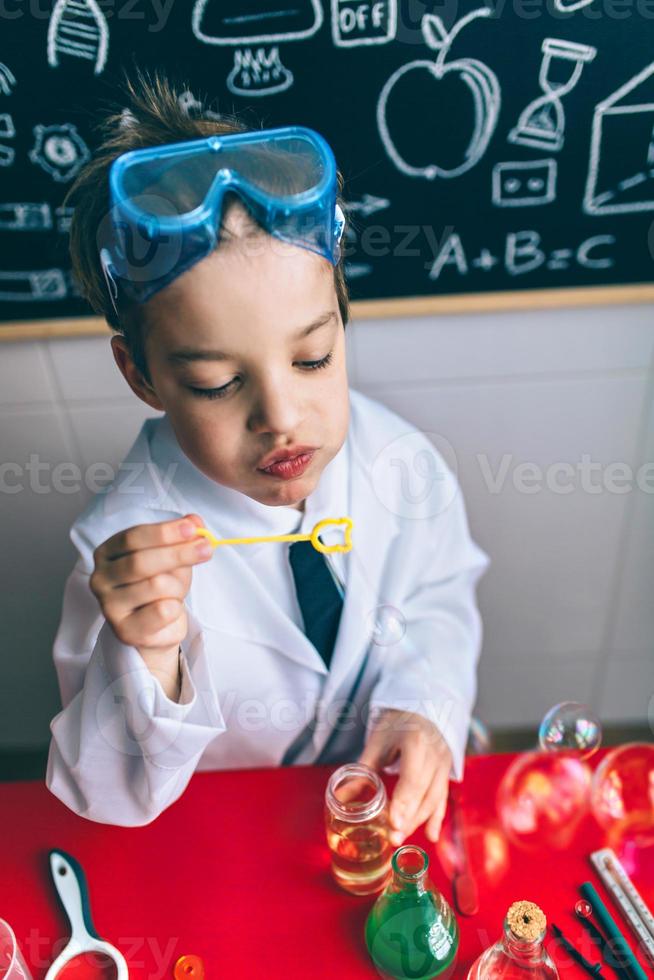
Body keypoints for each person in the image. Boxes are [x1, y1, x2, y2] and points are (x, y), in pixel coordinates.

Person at [46, 68, 490, 831]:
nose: (282, 418)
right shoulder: (121, 550)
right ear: (144, 377)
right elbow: (108, 794)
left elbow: (437, 599)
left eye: (312, 358)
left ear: (343, 320)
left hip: (377, 804)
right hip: (230, 830)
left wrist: (425, 706)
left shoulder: (401, 461)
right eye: (218, 383)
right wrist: (149, 658)